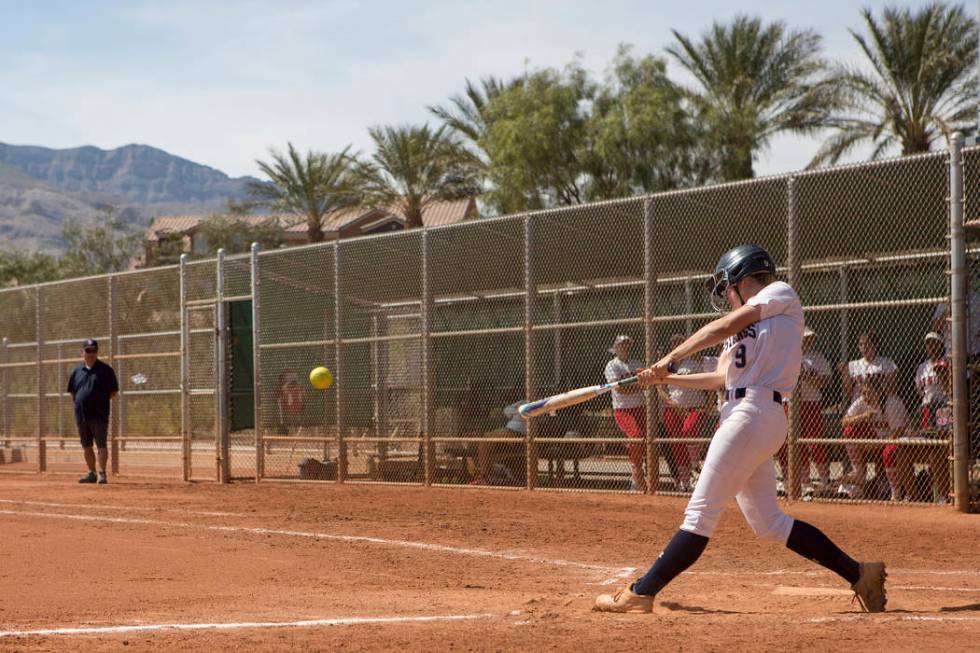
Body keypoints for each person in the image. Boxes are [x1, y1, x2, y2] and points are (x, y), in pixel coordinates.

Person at [594, 245, 886, 614]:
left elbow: (726, 325)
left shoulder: (779, 293)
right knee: (768, 522)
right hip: (746, 415)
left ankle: (642, 591)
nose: (725, 295)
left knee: (699, 514)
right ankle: (860, 573)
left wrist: (671, 358)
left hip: (754, 413)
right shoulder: (744, 327)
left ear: (742, 279)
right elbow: (721, 378)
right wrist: (665, 378)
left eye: (727, 287)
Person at [782, 327, 832, 497]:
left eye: (810, 339)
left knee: (815, 441)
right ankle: (802, 481)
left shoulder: (817, 358)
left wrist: (807, 377)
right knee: (789, 442)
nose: (808, 341)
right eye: (805, 338)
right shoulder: (786, 355)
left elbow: (826, 381)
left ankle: (824, 481)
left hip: (811, 402)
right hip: (788, 402)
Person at [657, 333, 710, 492]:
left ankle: (695, 465)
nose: (677, 345)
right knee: (678, 445)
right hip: (673, 409)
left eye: (680, 342)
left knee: (689, 431)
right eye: (674, 343)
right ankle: (685, 483)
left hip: (695, 406)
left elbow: (709, 380)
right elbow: (661, 387)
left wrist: (709, 403)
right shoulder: (668, 364)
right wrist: (671, 403)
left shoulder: (695, 360)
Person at [67, 338, 119, 484]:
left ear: (97, 352)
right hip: (82, 414)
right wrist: (81, 402)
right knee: (86, 445)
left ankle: (102, 473)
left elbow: (113, 391)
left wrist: (99, 402)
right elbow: (73, 392)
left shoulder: (105, 370)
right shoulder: (77, 371)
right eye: (88, 350)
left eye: (93, 350)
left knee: (101, 444)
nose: (91, 353)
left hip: (99, 414)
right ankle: (91, 473)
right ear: (82, 352)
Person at [604, 335, 647, 492]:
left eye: (627, 345)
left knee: (642, 439)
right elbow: (620, 389)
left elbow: (646, 383)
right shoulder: (611, 365)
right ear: (615, 348)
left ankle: (640, 473)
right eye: (621, 345)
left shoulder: (637, 363)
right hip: (623, 409)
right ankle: (636, 473)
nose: (625, 347)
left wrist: (636, 386)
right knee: (636, 435)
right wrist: (636, 386)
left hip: (640, 407)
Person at [469, 401, 526, 486]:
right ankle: (484, 477)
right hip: (510, 431)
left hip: (518, 433)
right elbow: (506, 411)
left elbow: (509, 412)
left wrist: (518, 411)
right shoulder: (522, 402)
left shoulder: (542, 404)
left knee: (486, 438)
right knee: (484, 442)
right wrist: (520, 411)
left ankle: (484, 477)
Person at [840, 332, 897, 403]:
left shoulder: (886, 363)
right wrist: (845, 373)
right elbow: (848, 393)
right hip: (859, 403)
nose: (864, 347)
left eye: (867, 344)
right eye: (861, 344)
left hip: (879, 403)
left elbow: (892, 389)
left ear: (875, 345)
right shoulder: (853, 365)